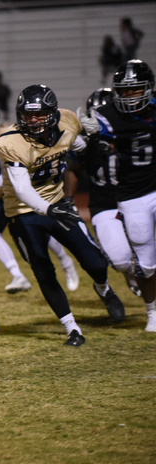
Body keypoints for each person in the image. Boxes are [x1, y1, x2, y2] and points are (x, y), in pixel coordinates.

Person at [0, 84, 125, 346]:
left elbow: (75, 144)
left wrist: (92, 141)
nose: (32, 120)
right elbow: (22, 189)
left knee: (96, 262)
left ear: (53, 113)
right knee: (43, 269)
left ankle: (103, 289)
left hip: (56, 202)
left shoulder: (67, 121)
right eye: (27, 114)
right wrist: (48, 209)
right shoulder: (11, 141)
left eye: (39, 114)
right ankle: (71, 328)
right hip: (24, 213)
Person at [0, 98, 80, 294]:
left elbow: (11, 175)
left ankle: (65, 262)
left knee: (41, 233)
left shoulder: (4, 137)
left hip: (18, 194)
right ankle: (18, 275)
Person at [81, 60, 156, 332]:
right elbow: (84, 165)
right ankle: (152, 311)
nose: (129, 96)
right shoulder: (105, 118)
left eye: (134, 90)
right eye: (123, 91)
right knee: (139, 262)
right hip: (125, 196)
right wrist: (91, 142)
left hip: (149, 186)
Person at [64, 87, 140, 298]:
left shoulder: (132, 130)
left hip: (137, 194)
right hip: (104, 201)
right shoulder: (84, 138)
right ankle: (131, 274)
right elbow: (74, 168)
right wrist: (68, 201)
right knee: (120, 260)